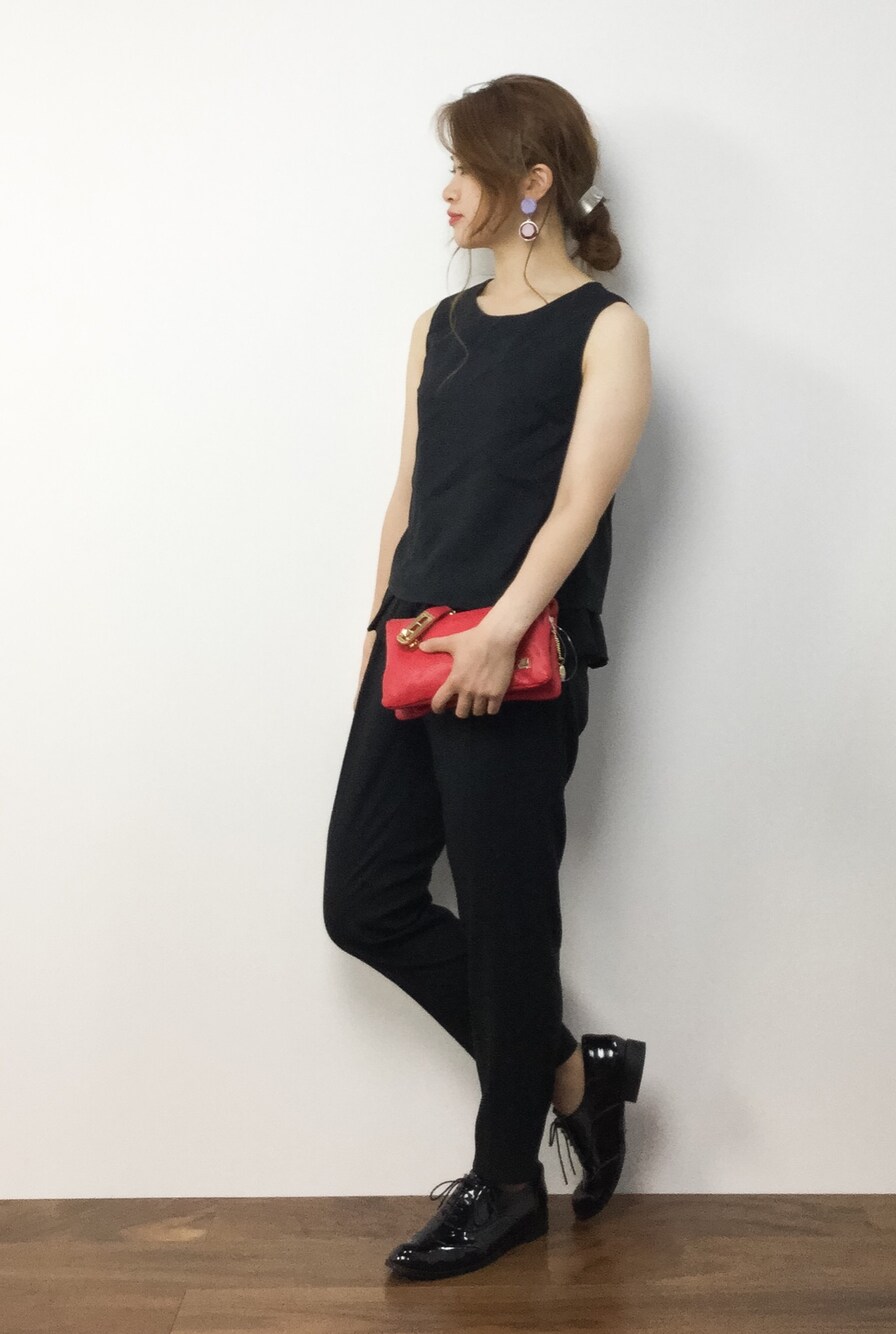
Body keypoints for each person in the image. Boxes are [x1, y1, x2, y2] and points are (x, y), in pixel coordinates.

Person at [323, 73, 652, 1281]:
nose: (447, 189)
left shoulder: (607, 330)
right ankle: (571, 1069)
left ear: (532, 183)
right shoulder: (439, 326)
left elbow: (578, 506)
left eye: (465, 166)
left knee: (511, 923)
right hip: (414, 654)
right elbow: (409, 495)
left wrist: (502, 629)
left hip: (516, 662)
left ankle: (507, 1179)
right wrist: (378, 635)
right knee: (362, 900)